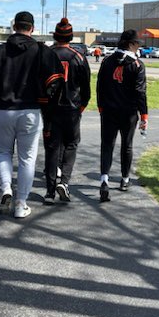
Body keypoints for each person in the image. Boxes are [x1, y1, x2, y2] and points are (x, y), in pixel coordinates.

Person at [0, 11, 64, 219]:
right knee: (27, 159)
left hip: (2, 109)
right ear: (32, 28)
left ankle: (5, 190)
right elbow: (56, 81)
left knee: (2, 152)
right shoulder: (41, 50)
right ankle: (21, 203)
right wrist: (48, 107)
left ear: (14, 26)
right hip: (30, 109)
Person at [43, 18, 91, 205]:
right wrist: (81, 106)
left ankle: (49, 191)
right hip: (71, 108)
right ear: (71, 36)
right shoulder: (78, 56)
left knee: (52, 148)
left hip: (50, 109)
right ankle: (64, 182)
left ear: (55, 35)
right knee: (71, 144)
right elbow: (86, 87)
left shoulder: (46, 54)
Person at [96, 29, 148, 202]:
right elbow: (140, 92)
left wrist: (101, 106)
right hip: (129, 112)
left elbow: (100, 86)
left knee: (107, 145)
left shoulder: (107, 61)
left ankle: (104, 179)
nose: (138, 47)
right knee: (127, 145)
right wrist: (144, 114)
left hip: (109, 110)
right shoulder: (137, 65)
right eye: (136, 44)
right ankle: (125, 179)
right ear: (131, 44)